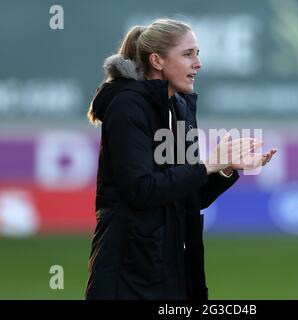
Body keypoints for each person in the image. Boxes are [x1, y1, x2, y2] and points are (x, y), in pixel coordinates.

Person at [85, 18, 277, 300]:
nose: (198, 63)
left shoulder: (181, 107)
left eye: (197, 53)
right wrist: (208, 164)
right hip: (128, 273)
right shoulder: (128, 106)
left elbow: (186, 197)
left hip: (172, 270)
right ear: (157, 61)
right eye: (188, 54)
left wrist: (224, 169)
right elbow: (141, 189)